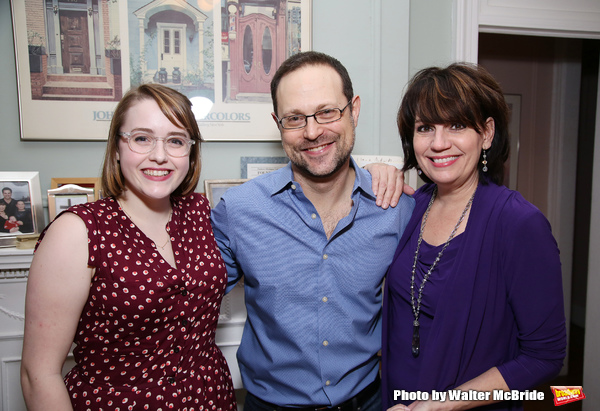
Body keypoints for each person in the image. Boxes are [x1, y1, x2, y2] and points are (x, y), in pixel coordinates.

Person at [211, 51, 415, 410]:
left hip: (367, 401)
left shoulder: (396, 208)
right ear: (278, 124)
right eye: (294, 118)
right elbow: (185, 301)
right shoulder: (239, 211)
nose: (312, 131)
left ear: (354, 110)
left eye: (327, 112)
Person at [21, 84, 237, 410]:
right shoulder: (77, 231)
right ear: (118, 147)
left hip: (211, 398)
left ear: (191, 153)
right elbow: (38, 374)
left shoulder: (201, 212)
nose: (160, 155)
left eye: (176, 140)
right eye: (142, 138)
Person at [382, 63, 566, 410]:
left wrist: (443, 405)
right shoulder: (413, 206)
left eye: (456, 125)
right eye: (425, 128)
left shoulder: (518, 224)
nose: (438, 143)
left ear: (487, 133)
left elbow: (544, 356)